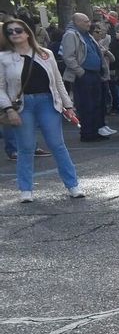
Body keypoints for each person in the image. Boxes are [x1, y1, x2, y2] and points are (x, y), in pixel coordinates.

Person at [0, 18, 84, 202]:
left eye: (18, 30)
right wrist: (8, 109)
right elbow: (1, 87)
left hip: (48, 101)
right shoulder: (4, 58)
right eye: (10, 32)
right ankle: (25, 189)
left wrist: (68, 105)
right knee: (26, 147)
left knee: (57, 144)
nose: (14, 34)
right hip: (22, 104)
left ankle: (73, 185)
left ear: (27, 32)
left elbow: (58, 81)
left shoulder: (46, 54)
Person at [58, 12, 112, 141]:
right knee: (86, 104)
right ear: (77, 22)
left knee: (96, 104)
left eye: (88, 21)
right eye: (85, 21)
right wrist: (80, 72)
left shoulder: (87, 35)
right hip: (84, 75)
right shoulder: (71, 35)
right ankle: (87, 133)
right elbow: (68, 57)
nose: (89, 24)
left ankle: (96, 130)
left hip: (95, 73)